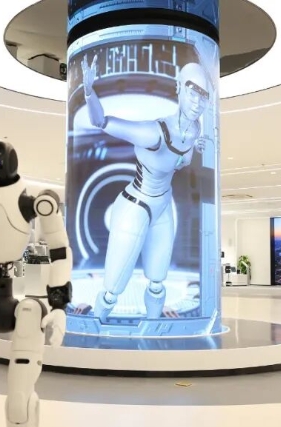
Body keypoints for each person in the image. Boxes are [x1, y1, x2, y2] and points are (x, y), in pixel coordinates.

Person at [81, 55, 211, 321]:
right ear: (179, 88)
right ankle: (97, 328)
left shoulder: (195, 130)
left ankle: (153, 330)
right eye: (192, 92)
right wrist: (89, 91)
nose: (197, 102)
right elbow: (101, 121)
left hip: (162, 206)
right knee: (112, 290)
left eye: (203, 95)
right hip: (135, 206)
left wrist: (196, 149)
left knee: (157, 282)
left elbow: (180, 160)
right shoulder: (154, 133)